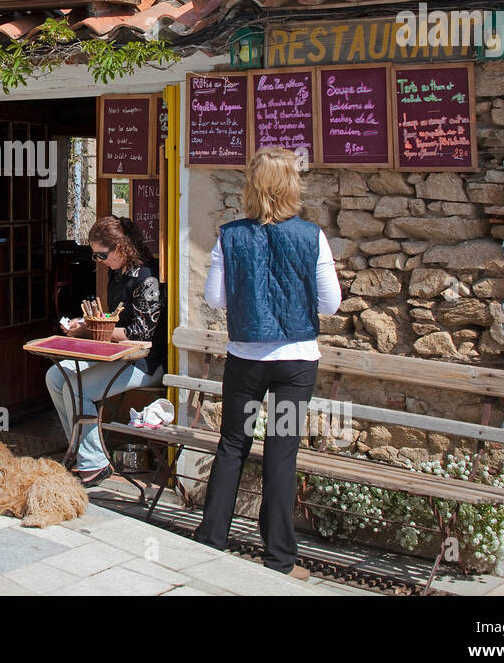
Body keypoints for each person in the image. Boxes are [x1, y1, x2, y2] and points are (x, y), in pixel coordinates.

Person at [193, 147, 341, 577]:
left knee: (232, 446)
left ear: (251, 188)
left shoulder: (230, 235)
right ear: (293, 187)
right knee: (281, 454)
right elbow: (330, 304)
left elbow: (216, 299)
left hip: (246, 359)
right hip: (296, 363)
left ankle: (211, 541)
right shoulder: (312, 236)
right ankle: (279, 560)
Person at [44, 215, 168, 487]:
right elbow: (115, 318)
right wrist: (88, 322)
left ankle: (95, 464)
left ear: (122, 247)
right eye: (95, 256)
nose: (98, 261)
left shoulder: (146, 278)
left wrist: (92, 329)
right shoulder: (118, 273)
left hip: (145, 362)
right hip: (118, 356)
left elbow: (141, 334)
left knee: (77, 389)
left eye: (102, 255)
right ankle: (81, 451)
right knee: (56, 376)